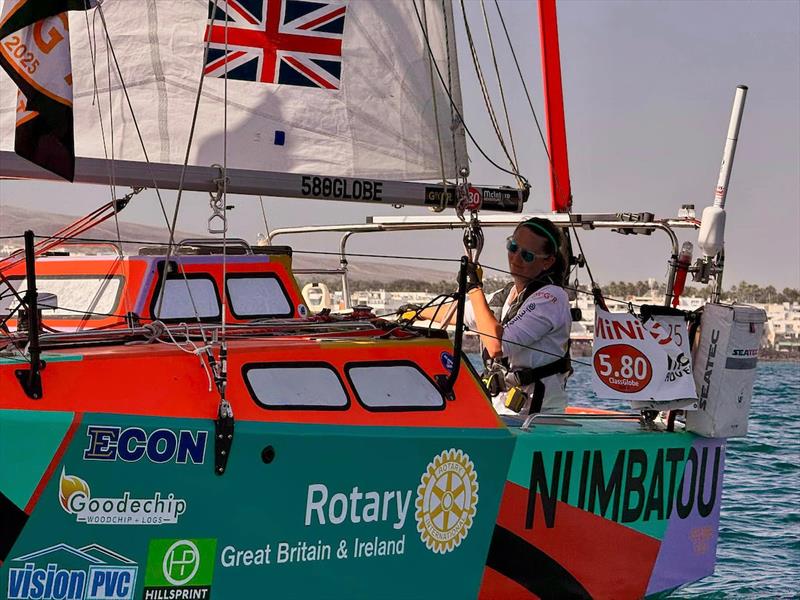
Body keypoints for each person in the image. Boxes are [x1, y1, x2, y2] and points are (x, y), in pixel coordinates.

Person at [413, 217, 572, 415]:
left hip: (539, 419)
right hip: (500, 413)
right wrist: (415, 312)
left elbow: (497, 346)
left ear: (547, 262)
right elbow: (460, 312)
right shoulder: (504, 296)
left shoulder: (552, 298)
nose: (515, 258)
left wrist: (474, 287)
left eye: (527, 256)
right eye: (513, 247)